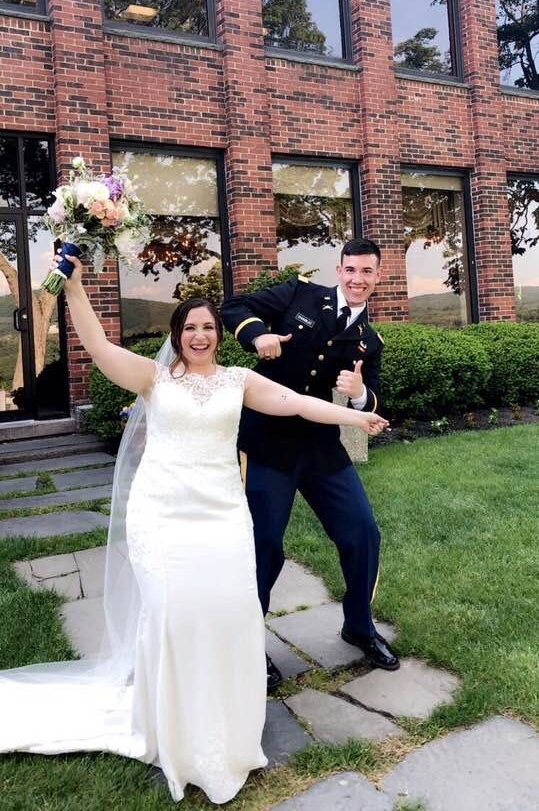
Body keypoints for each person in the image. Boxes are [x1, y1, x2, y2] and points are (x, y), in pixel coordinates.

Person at [0, 254, 388, 805]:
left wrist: (356, 415)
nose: (200, 335)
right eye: (190, 328)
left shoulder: (238, 381)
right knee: (174, 611)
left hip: (222, 515)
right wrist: (76, 290)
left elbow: (298, 402)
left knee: (228, 608)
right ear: (176, 335)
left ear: (218, 337)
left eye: (208, 327)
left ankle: (224, 717)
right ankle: (172, 719)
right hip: (162, 517)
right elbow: (99, 347)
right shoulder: (152, 379)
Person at [221, 237, 399, 691]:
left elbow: (372, 403)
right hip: (267, 443)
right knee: (263, 544)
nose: (358, 279)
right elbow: (234, 306)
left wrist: (358, 392)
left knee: (362, 532)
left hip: (321, 447)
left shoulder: (370, 340)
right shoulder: (299, 294)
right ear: (339, 270)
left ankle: (359, 626)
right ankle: (247, 642)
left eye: (367, 272)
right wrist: (257, 335)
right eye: (351, 270)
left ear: (379, 277)